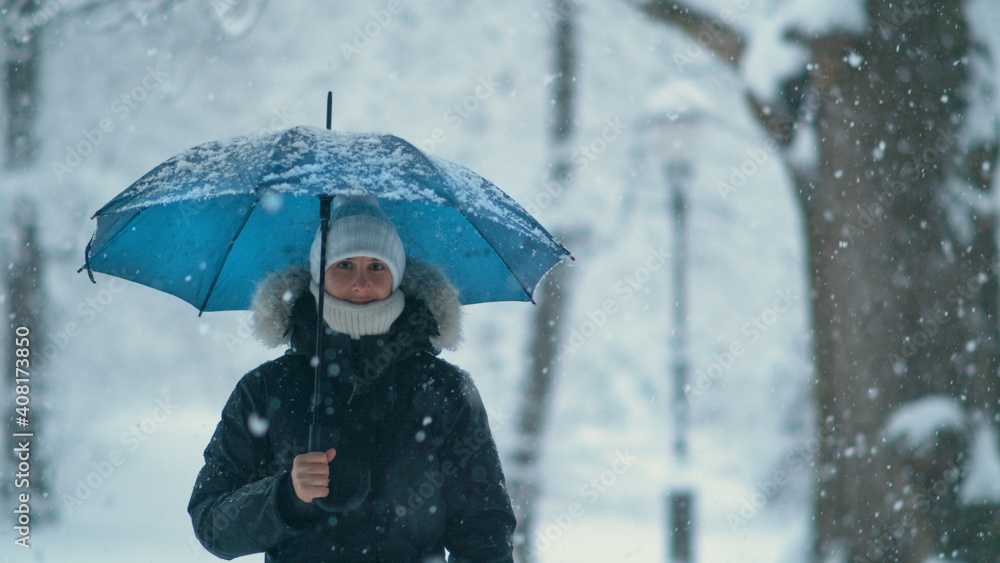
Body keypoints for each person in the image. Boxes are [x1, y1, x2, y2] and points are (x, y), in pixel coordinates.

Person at [188, 196, 516, 562]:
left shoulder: (445, 390)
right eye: (344, 264)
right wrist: (285, 496)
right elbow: (212, 522)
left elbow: (485, 529)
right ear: (318, 273)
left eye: (376, 266)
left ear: (397, 275)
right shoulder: (265, 389)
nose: (361, 283)